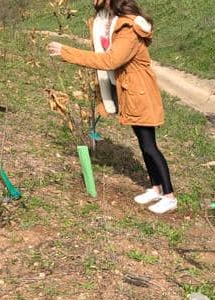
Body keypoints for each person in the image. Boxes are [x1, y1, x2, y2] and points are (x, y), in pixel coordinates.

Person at [48, 0, 177, 214]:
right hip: (130, 91)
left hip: (140, 93)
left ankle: (170, 196)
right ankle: (156, 188)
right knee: (143, 144)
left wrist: (66, 52)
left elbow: (110, 61)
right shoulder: (112, 21)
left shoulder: (128, 27)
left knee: (150, 146)